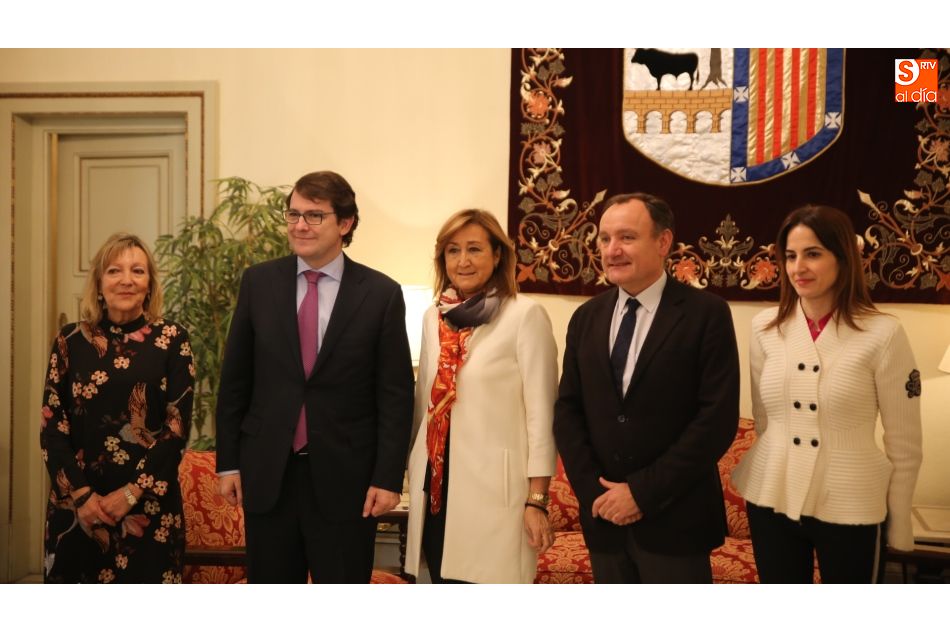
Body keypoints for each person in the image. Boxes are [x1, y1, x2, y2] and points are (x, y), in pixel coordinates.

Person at [215, 170, 414, 583]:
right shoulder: (259, 282)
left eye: (314, 216)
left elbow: (394, 396)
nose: (300, 225)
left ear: (345, 223)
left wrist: (387, 477)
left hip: (347, 481)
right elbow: (236, 382)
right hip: (269, 475)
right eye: (293, 214)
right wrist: (229, 463)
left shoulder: (380, 294)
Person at [553, 193, 740, 583]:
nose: (612, 250)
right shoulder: (586, 318)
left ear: (663, 242)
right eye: (604, 239)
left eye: (626, 237)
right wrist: (596, 495)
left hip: (676, 522)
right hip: (604, 522)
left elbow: (715, 420)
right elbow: (568, 412)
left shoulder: (707, 314)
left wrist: (640, 494)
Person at [732, 204, 922, 583]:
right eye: (790, 256)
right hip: (771, 497)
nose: (798, 267)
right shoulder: (764, 328)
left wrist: (899, 521)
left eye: (813, 254)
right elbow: (764, 420)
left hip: (851, 501)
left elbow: (904, 442)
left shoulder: (883, 334)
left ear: (843, 258)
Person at [404, 209, 559, 583]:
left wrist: (536, 499)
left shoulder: (525, 315)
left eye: (474, 249)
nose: (463, 260)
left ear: (497, 256)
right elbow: (422, 401)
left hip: (495, 494)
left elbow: (543, 416)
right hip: (436, 487)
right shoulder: (433, 317)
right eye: (452, 250)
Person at [40, 232, 194, 583]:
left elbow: (176, 429)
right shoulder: (69, 340)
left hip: (150, 509)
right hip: (78, 508)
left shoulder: (173, 339)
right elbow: (52, 426)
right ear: (98, 282)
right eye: (114, 271)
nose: (126, 280)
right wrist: (83, 497)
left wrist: (130, 494)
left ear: (150, 284)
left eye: (137, 271)